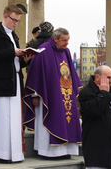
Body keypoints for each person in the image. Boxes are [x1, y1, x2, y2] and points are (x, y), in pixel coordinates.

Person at [23, 27, 82, 158]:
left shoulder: (66, 51)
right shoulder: (43, 50)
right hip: (48, 95)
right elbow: (35, 74)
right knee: (50, 120)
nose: (67, 43)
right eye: (64, 40)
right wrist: (35, 95)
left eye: (68, 40)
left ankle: (65, 150)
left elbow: (71, 73)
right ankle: (48, 152)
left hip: (65, 94)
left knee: (67, 120)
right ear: (55, 39)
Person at [0, 5, 32, 163]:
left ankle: (14, 153)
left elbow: (14, 62)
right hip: (0, 84)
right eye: (13, 20)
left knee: (14, 119)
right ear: (5, 16)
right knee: (1, 119)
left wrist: (24, 59)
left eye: (18, 21)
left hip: (14, 81)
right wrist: (13, 52)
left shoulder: (14, 36)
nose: (15, 23)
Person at [79, 65, 111, 169]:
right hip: (98, 147)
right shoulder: (86, 93)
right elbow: (95, 111)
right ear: (97, 77)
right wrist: (104, 93)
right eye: (108, 78)